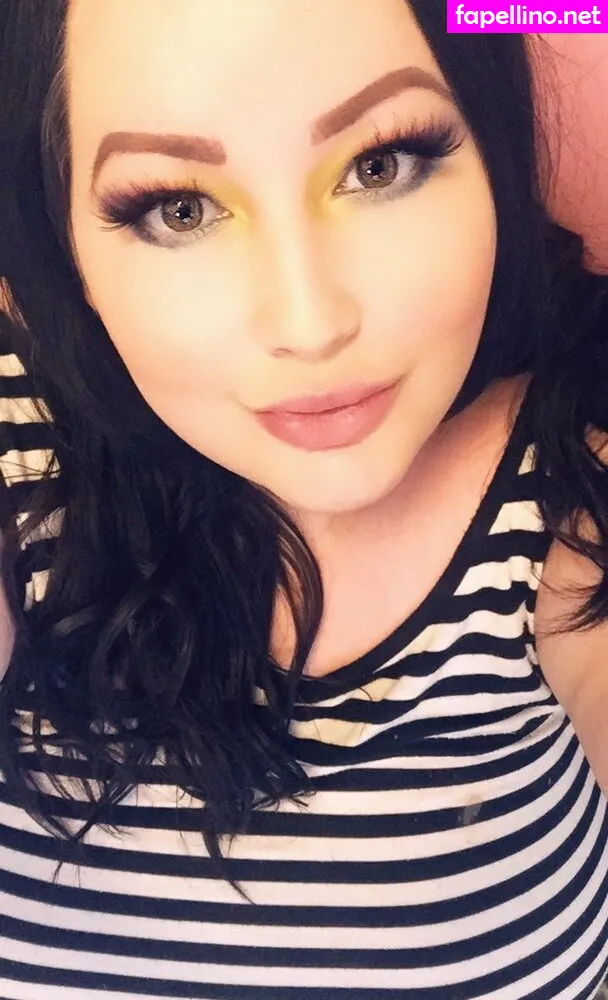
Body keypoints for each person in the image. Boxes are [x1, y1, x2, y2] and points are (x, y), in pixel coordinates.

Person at [0, 1, 607, 997]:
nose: (310, 322)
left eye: (381, 164)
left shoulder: (567, 462)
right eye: (178, 208)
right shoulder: (25, 440)